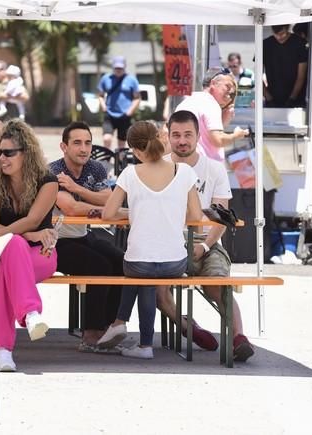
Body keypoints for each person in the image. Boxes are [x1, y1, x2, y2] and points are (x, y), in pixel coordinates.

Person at [97, 121, 204, 359]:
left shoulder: (129, 173)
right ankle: (138, 340)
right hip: (175, 261)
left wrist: (135, 211)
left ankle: (127, 329)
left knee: (142, 273)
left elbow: (107, 214)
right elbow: (196, 216)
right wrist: (170, 212)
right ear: (160, 139)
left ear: (134, 150)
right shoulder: (184, 171)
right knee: (147, 277)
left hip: (138, 262)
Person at [157, 110, 255, 362]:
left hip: (207, 243)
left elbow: (223, 217)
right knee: (158, 292)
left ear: (199, 136)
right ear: (168, 136)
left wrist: (205, 246)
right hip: (168, 243)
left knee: (218, 286)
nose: (182, 140)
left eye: (188, 134)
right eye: (176, 135)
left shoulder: (214, 168)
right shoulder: (157, 168)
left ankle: (238, 337)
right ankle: (190, 328)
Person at [0, 119, 57, 372]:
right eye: (0, 152)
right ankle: (30, 313)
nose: (2, 158)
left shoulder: (48, 180)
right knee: (13, 247)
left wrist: (26, 237)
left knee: (9, 262)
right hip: (3, 253)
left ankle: (3, 350)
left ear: (27, 153)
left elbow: (34, 220)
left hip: (42, 254)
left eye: (9, 153)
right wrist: (28, 236)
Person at [49, 121, 124, 351]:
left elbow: (110, 198)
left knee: (121, 261)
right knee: (99, 265)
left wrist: (77, 188)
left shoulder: (96, 168)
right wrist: (101, 207)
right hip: (56, 241)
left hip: (82, 235)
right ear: (64, 146)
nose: (84, 148)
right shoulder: (52, 171)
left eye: (88, 143)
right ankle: (91, 333)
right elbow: (70, 208)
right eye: (77, 143)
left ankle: (110, 328)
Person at [175, 67, 249, 162]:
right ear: (213, 83)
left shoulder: (187, 101)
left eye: (233, 94)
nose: (230, 93)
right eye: (228, 86)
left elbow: (204, 137)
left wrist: (222, 122)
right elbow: (217, 140)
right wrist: (236, 136)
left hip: (186, 166)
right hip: (204, 169)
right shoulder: (210, 103)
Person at [97, 55, 141, 149]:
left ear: (124, 67)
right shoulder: (106, 78)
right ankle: (106, 161)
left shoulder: (131, 80)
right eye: (116, 67)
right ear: (113, 67)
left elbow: (137, 98)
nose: (118, 70)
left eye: (120, 67)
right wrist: (103, 106)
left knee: (121, 143)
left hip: (124, 115)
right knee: (106, 139)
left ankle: (120, 162)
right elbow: (100, 95)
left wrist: (130, 111)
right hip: (109, 114)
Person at [262, 24, 308, 108]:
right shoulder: (265, 44)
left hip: (297, 100)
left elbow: (301, 75)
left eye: (282, 33)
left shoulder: (299, 43)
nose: (279, 37)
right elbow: (258, 74)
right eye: (276, 34)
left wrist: (292, 98)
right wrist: (268, 97)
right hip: (272, 98)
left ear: (287, 28)